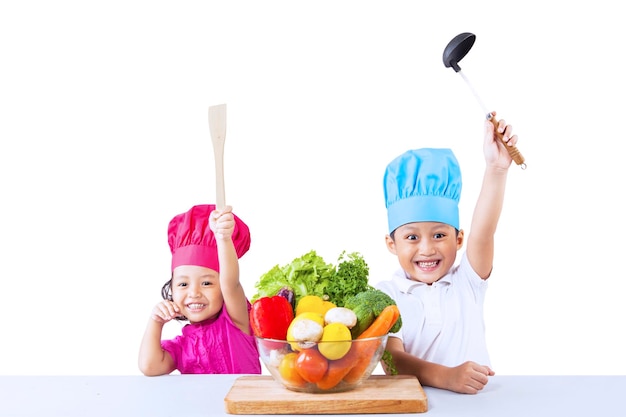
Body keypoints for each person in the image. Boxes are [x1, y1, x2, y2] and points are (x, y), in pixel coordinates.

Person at [376, 112, 518, 394]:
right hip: (415, 408)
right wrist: (447, 377)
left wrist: (497, 168)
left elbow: (484, 231)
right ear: (392, 244)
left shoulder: (468, 281)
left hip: (479, 407)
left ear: (459, 239)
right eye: (412, 237)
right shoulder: (387, 294)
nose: (427, 248)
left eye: (440, 235)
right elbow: (391, 360)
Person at [138, 204, 261, 376]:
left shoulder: (236, 321)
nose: (194, 293)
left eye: (206, 283)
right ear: (171, 290)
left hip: (243, 403)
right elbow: (149, 367)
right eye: (183, 285)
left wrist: (223, 239)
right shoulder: (182, 346)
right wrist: (156, 321)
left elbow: (230, 283)